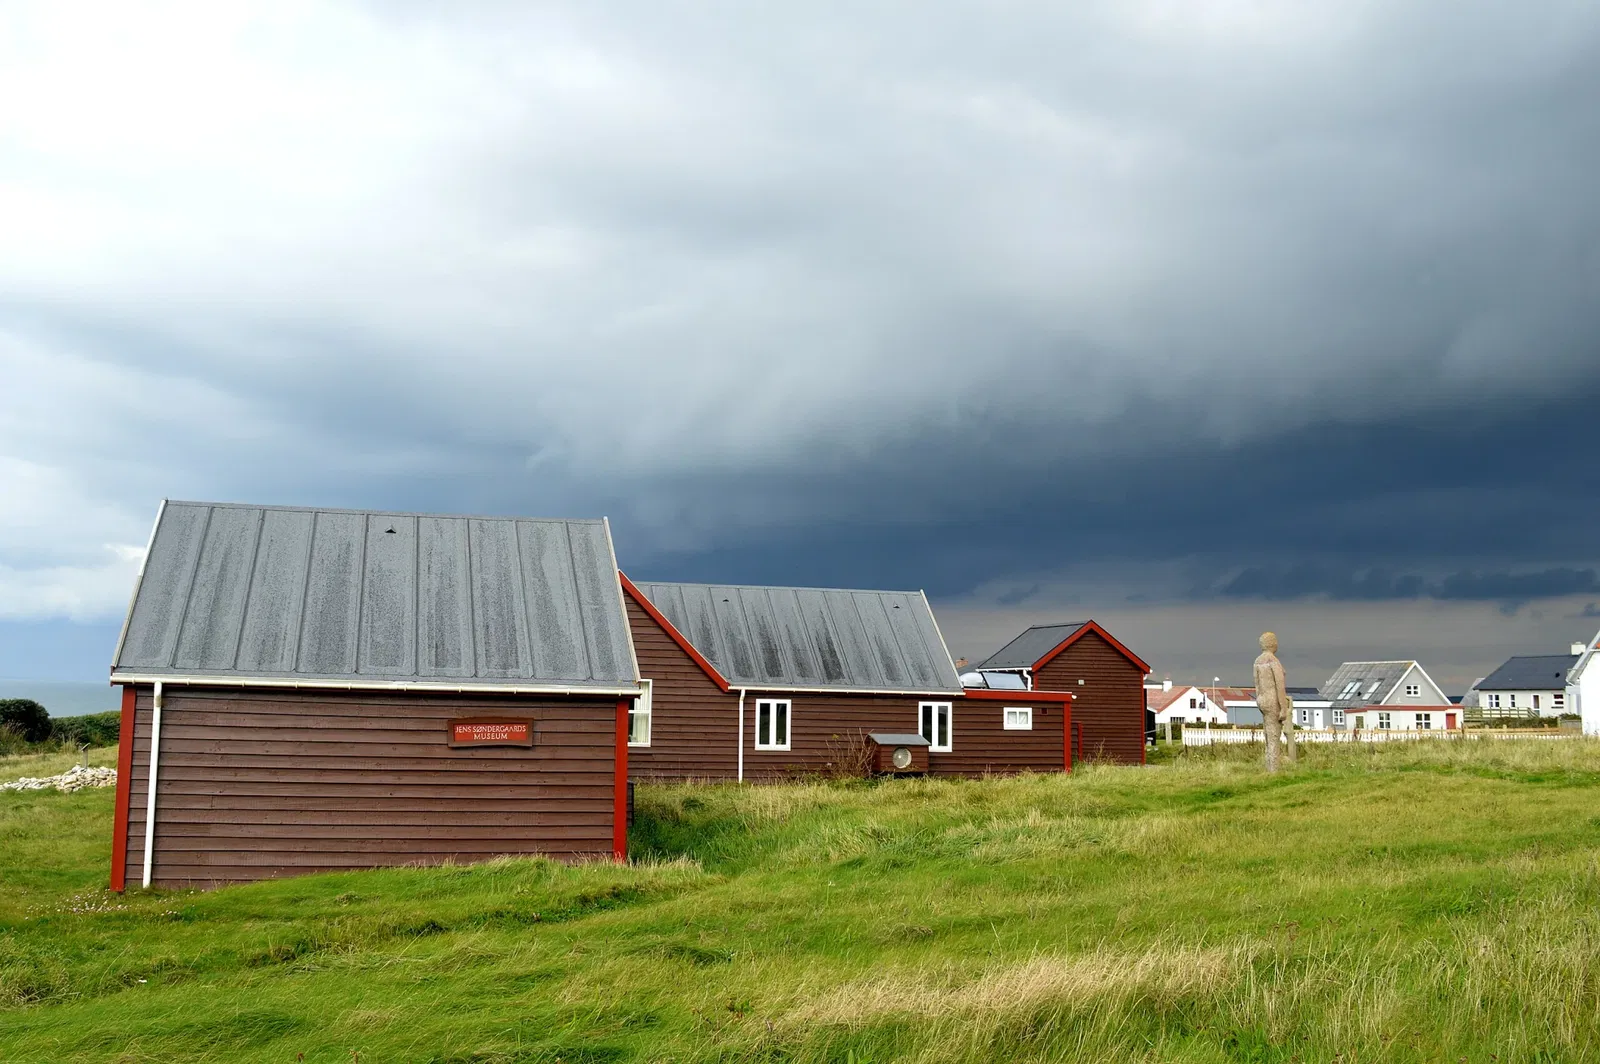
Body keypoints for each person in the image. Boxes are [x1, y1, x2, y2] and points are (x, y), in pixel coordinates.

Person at [1254, 631, 1298, 771]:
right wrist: (1283, 707)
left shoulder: (1257, 661)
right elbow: (1280, 685)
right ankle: (1274, 770)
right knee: (1274, 734)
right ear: (1272, 643)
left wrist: (1259, 700)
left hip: (1262, 699)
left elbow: (1257, 685)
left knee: (1268, 733)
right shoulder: (1273, 660)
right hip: (1273, 700)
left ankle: (1270, 766)